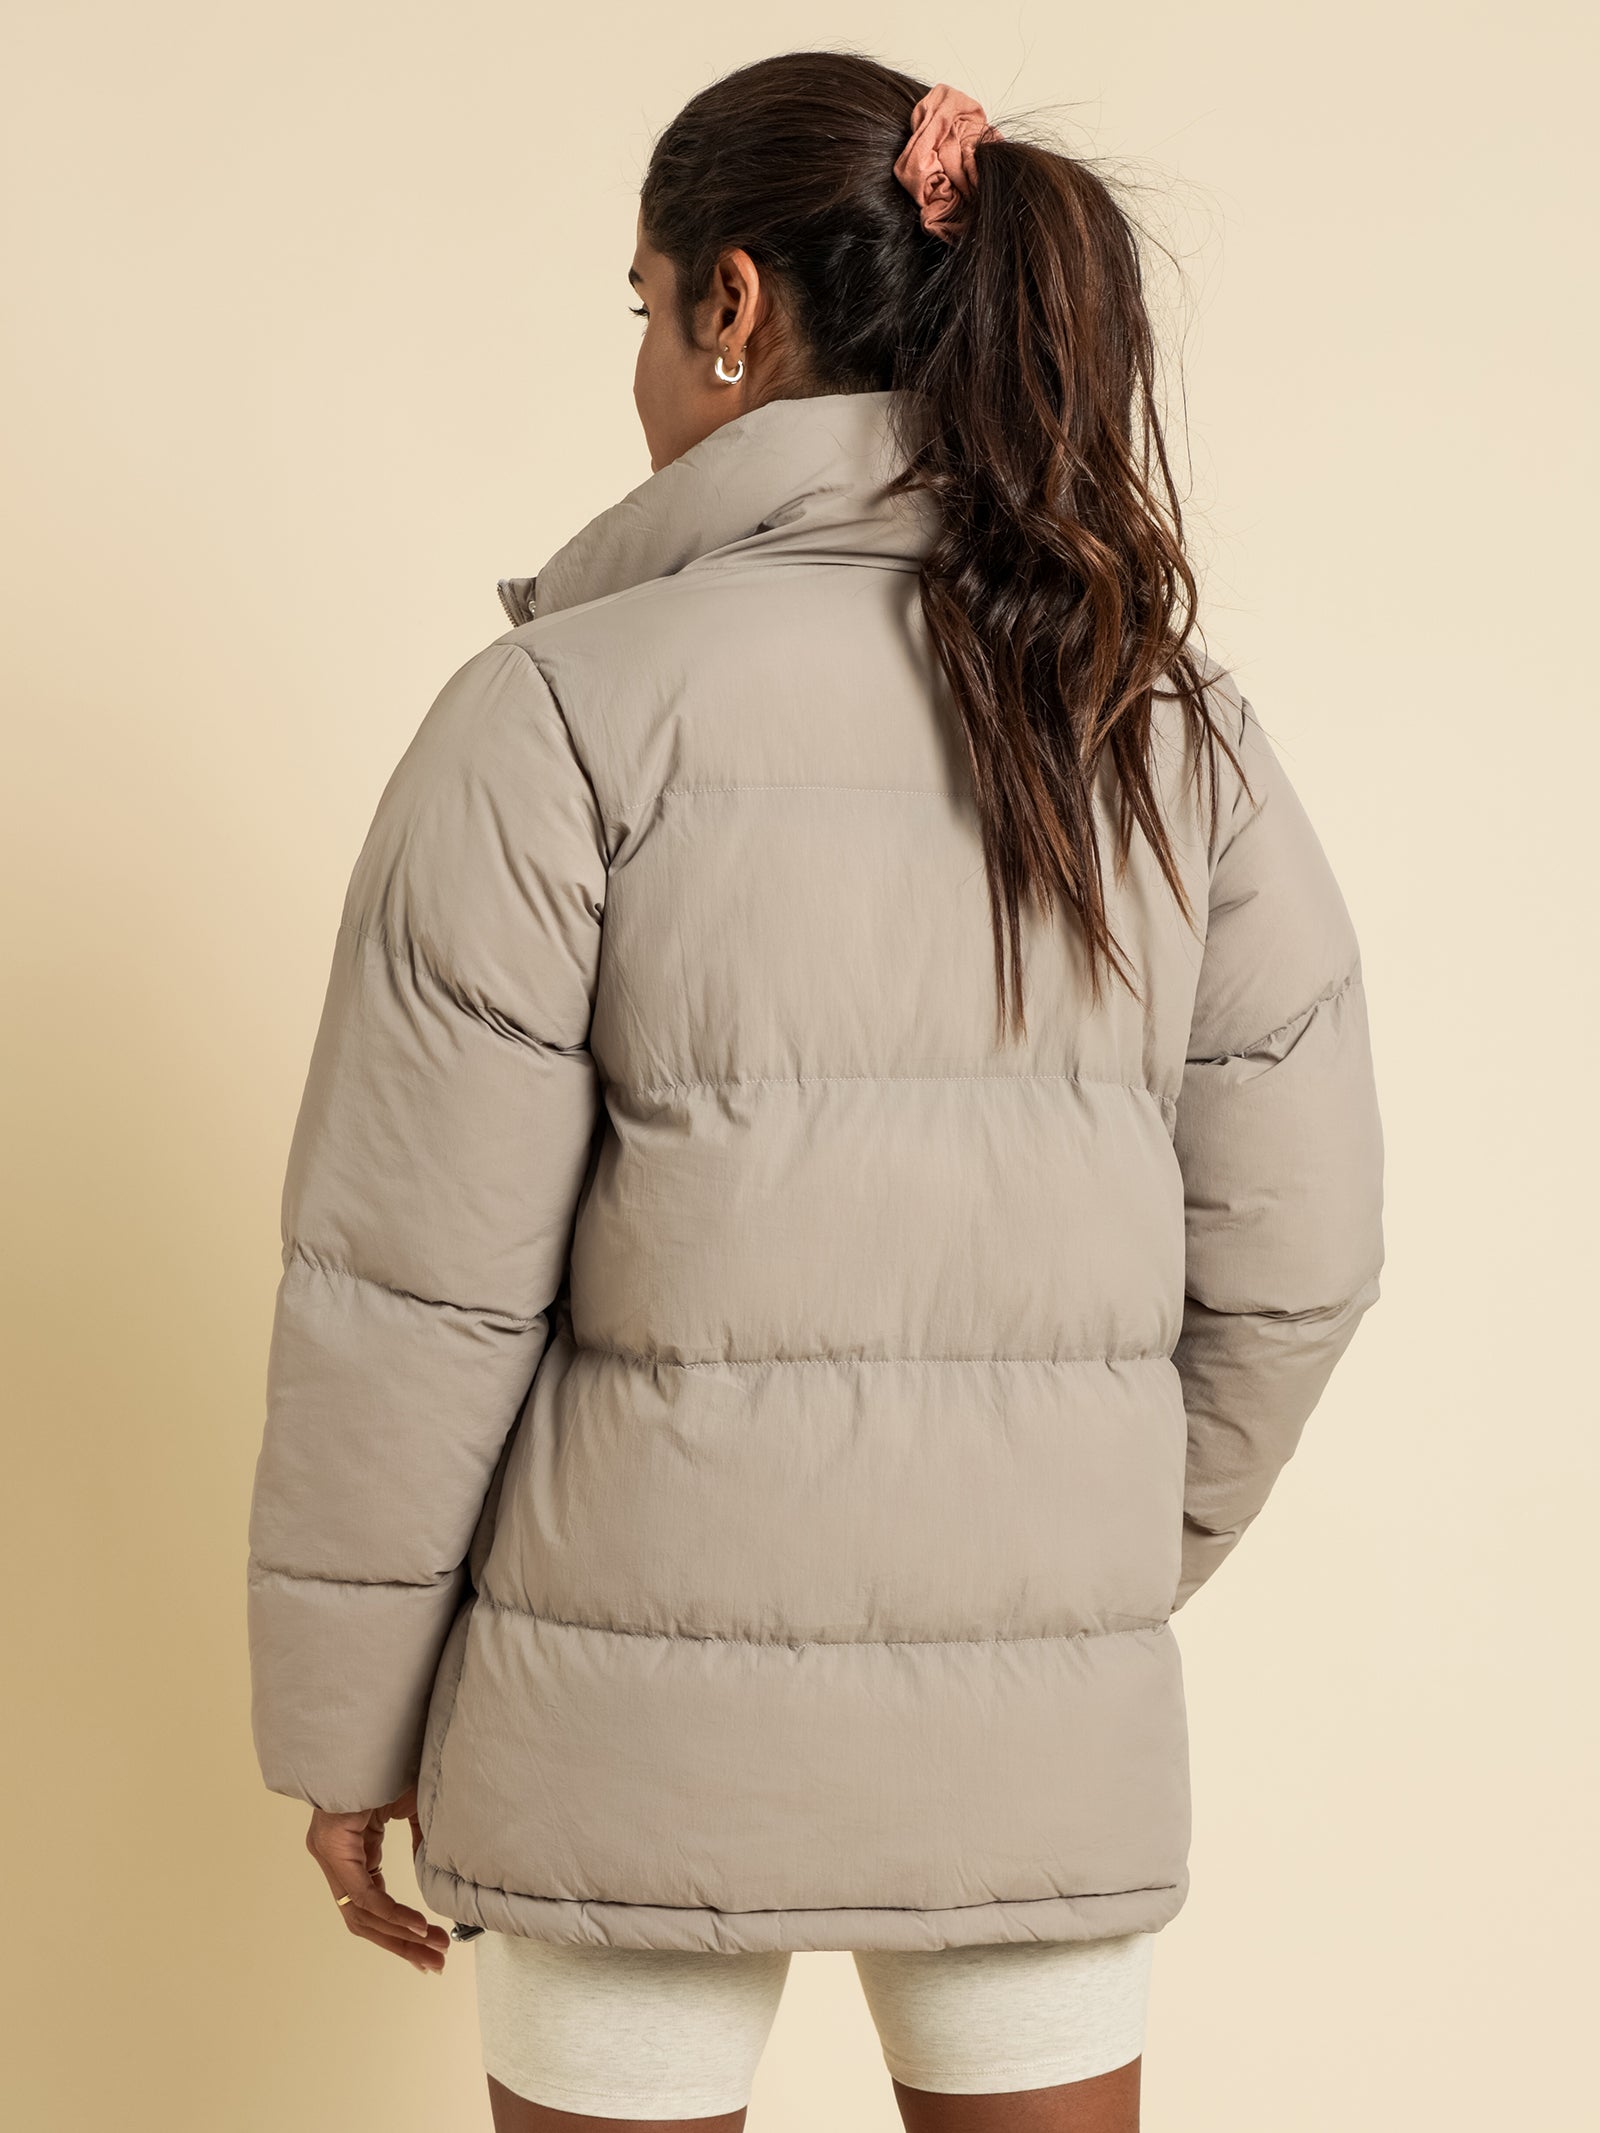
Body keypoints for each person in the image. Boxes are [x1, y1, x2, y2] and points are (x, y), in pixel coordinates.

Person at [246, 50, 1385, 2133]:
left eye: (640, 303)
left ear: (732, 306)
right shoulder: (1160, 724)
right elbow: (1299, 1259)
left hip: (616, 1728)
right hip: (1031, 1742)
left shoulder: (552, 716)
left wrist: (349, 1726)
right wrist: (1058, 1571)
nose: (638, 366)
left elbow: (415, 1293)